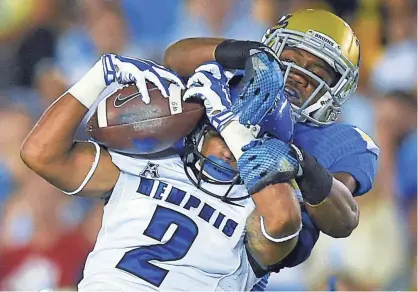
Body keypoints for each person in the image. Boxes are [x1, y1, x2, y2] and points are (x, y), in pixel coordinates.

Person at [20, 49, 305, 290]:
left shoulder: (261, 207)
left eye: (245, 138)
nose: (229, 150)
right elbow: (40, 154)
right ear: (204, 126)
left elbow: (282, 222)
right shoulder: (144, 162)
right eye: (221, 133)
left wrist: (229, 124)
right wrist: (99, 76)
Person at [164, 7, 379, 278]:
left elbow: (343, 219)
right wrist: (246, 54)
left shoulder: (345, 140)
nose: (300, 75)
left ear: (337, 88)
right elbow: (174, 57)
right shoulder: (229, 85)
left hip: (237, 263)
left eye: (318, 72)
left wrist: (302, 165)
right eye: (292, 58)